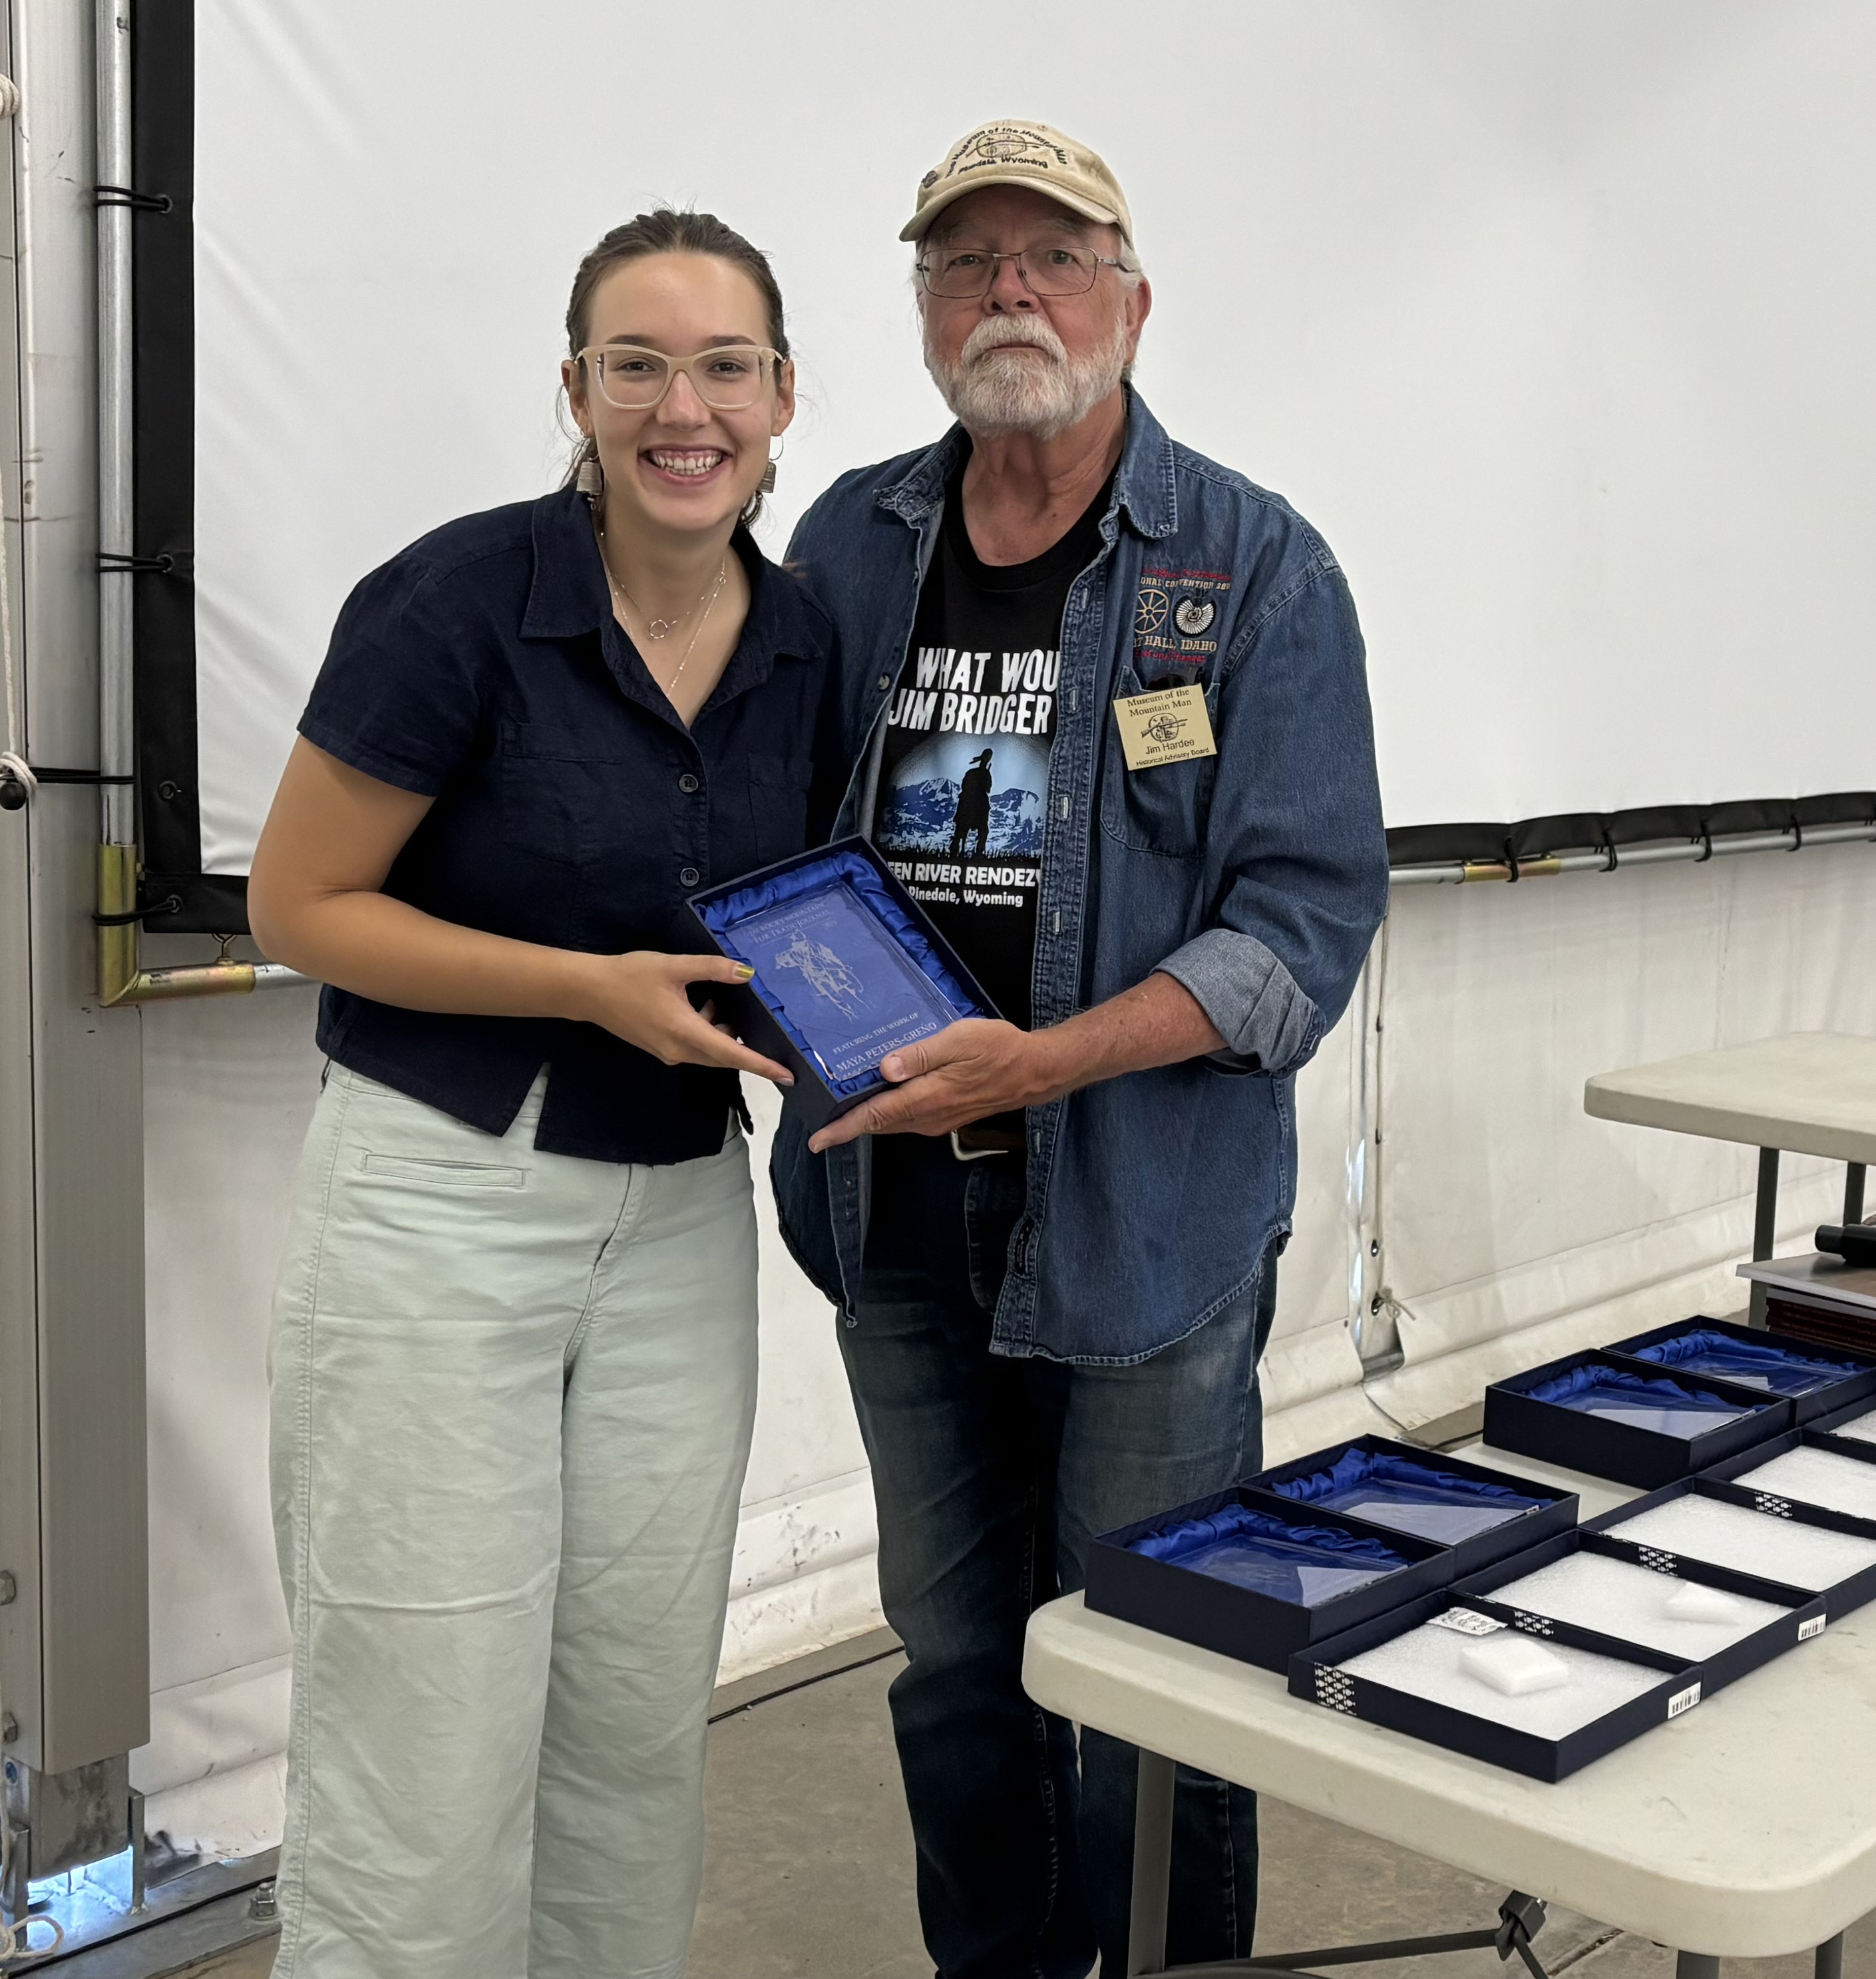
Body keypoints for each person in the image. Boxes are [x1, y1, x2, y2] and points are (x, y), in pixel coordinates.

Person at [775, 122, 1388, 1976]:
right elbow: (787, 839)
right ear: (923, 306)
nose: (1010, 293)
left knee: (1160, 1672)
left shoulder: (1257, 569)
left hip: (1143, 1225)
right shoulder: (849, 543)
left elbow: (1298, 934)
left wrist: (1029, 1069)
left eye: (1052, 255)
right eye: (968, 264)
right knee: (961, 1675)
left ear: (1132, 294)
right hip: (895, 1221)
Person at [244, 209, 833, 1979]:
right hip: (440, 1203)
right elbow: (299, 907)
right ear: (575, 391)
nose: (685, 406)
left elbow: (788, 923)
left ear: (783, 395)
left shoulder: (803, 643)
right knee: (420, 1740)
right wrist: (588, 992)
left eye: (724, 365)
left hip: (675, 1221)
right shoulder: (459, 599)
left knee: (637, 1726)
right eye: (638, 365)